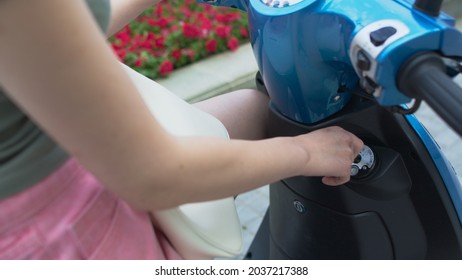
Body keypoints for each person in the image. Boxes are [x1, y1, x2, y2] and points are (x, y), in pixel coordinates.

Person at [0, 0, 364, 259]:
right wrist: (308, 152)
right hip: (61, 237)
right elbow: (154, 177)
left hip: (59, 155)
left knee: (253, 110)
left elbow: (48, 34)